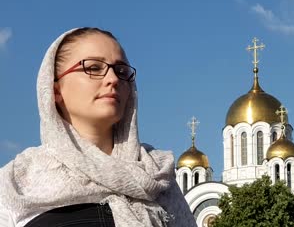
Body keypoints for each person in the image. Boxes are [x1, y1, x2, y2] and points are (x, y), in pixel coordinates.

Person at [0, 28, 197, 227]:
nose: (113, 79)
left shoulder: (157, 172)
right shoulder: (17, 179)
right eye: (93, 68)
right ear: (54, 91)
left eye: (121, 71)